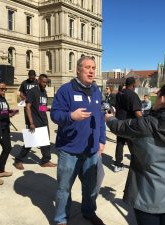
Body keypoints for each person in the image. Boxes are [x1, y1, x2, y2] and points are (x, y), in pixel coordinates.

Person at [105, 82, 165, 225]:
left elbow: (118, 126)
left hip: (146, 197)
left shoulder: (144, 125)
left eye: (158, 94)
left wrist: (109, 118)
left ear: (162, 99)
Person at [51, 56, 106, 225]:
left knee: (90, 188)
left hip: (91, 150)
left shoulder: (97, 91)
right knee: (64, 188)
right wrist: (70, 116)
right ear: (78, 69)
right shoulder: (66, 90)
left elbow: (101, 116)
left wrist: (102, 139)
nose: (91, 71)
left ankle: (89, 212)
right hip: (69, 149)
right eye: (87, 67)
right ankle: (61, 219)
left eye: (93, 67)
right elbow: (54, 114)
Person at [14, 74, 57, 170]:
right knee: (30, 142)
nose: (45, 84)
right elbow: (28, 107)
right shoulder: (32, 91)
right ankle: (18, 160)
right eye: (43, 82)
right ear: (38, 81)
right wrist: (31, 122)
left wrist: (48, 109)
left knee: (45, 141)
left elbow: (40, 106)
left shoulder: (44, 91)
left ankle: (45, 161)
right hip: (35, 120)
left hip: (43, 120)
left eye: (46, 82)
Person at [113, 77, 142, 172]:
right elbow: (137, 111)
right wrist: (143, 122)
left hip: (119, 122)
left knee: (120, 143)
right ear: (133, 84)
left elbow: (116, 107)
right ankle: (137, 164)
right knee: (133, 144)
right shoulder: (133, 95)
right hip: (129, 124)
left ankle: (117, 164)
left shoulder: (119, 93)